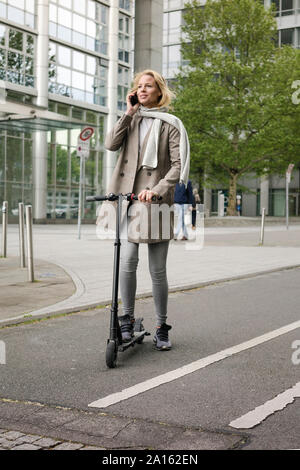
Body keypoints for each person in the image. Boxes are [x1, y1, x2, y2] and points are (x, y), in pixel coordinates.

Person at [97, 69, 190, 351]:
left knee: (157, 269)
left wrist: (158, 190)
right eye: (139, 86)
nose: (142, 89)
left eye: (148, 86)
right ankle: (126, 319)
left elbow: (177, 165)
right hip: (127, 198)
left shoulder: (171, 123)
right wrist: (128, 112)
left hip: (155, 201)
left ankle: (162, 326)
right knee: (127, 261)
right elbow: (111, 144)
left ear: (160, 92)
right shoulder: (131, 119)